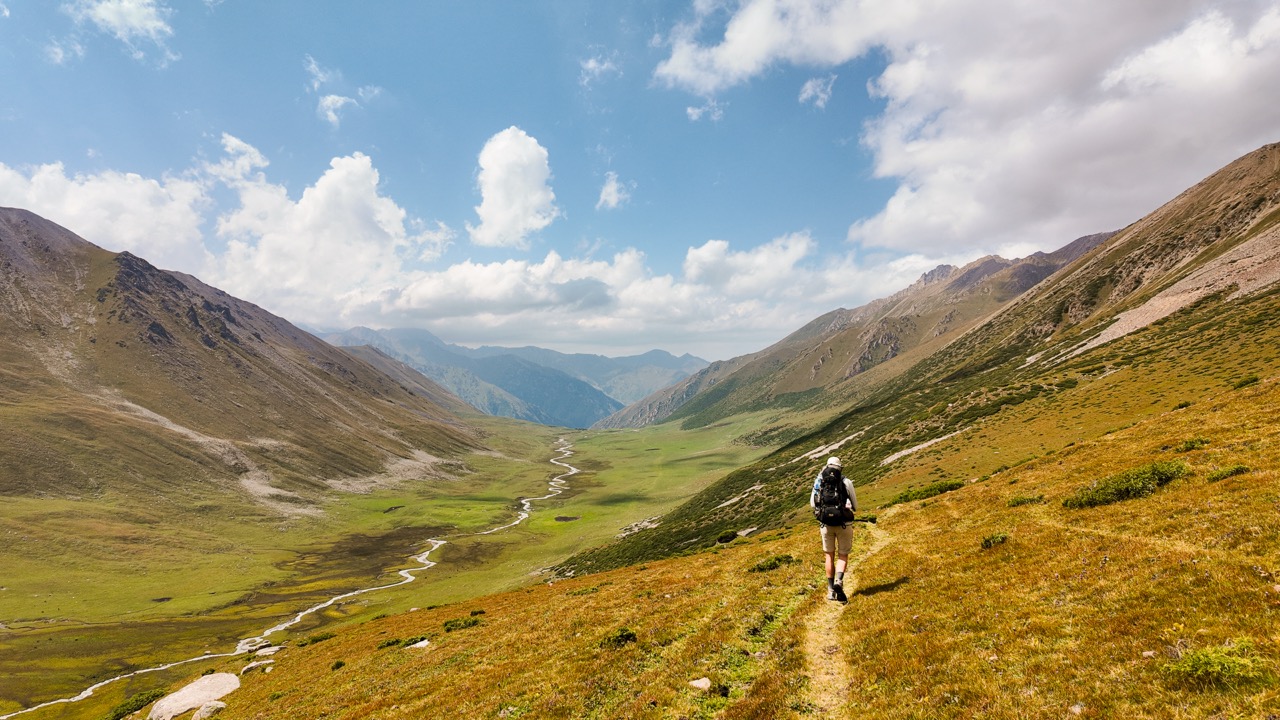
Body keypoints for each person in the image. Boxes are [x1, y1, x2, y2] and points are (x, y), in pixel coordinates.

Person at [811, 456, 857, 602]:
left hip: (826, 525)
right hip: (844, 524)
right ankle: (839, 581)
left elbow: (813, 503)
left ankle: (830, 591)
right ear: (840, 468)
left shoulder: (819, 481)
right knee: (843, 555)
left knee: (828, 556)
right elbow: (855, 505)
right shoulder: (845, 481)